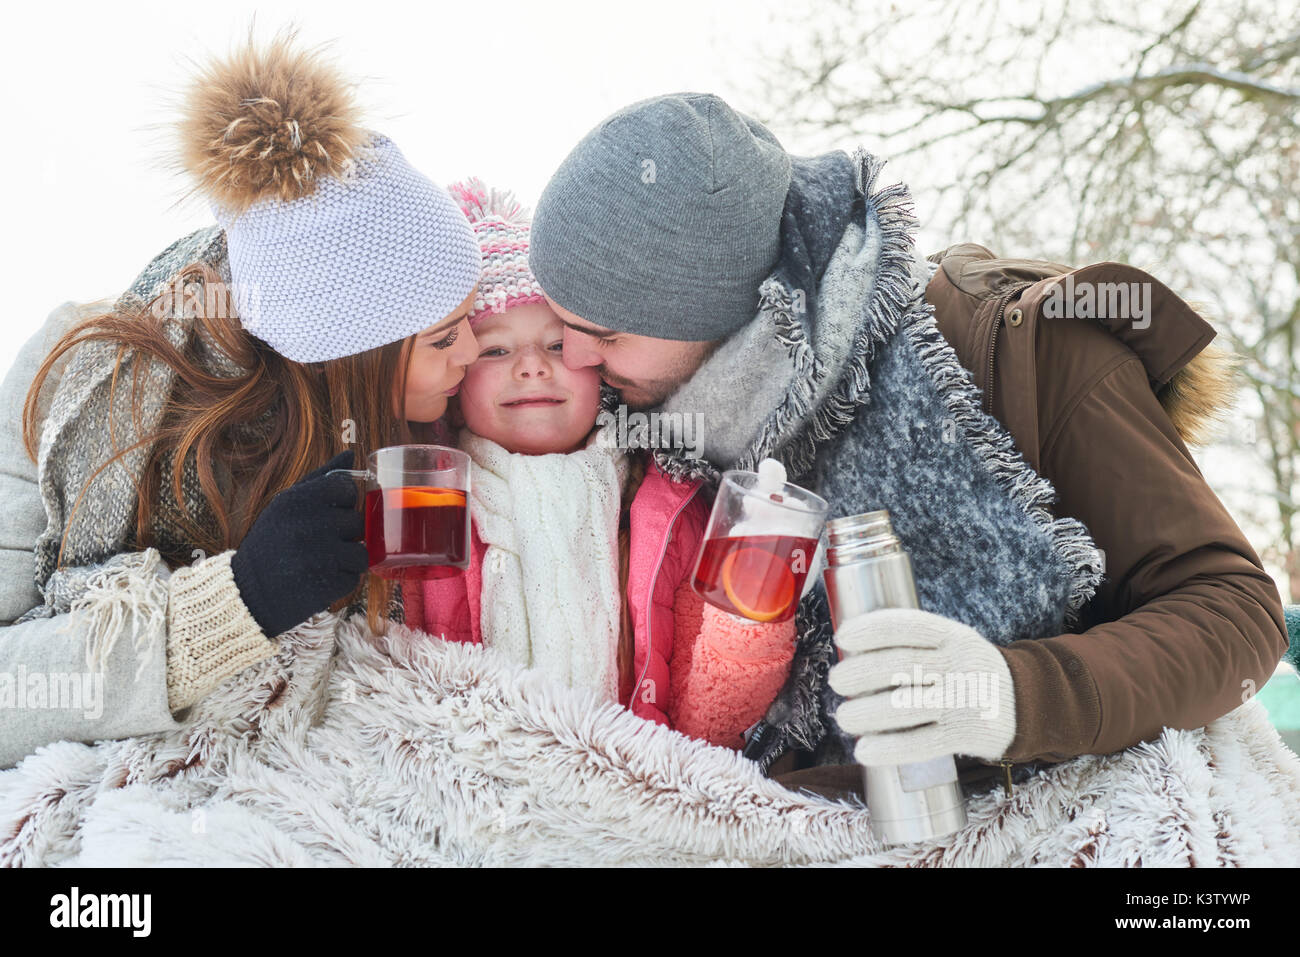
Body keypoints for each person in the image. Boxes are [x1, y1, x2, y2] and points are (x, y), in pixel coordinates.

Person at [526, 92, 1290, 794]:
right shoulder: (654, 430)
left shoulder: (1016, 351)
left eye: (603, 333)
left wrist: (1011, 693)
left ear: (715, 308)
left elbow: (1236, 611)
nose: (575, 359)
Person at [0, 34, 482, 769]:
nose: (476, 355)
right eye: (445, 338)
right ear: (345, 352)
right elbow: (10, 691)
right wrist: (239, 600)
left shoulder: (440, 419)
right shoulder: (80, 376)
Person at [405, 178, 797, 749]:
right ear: (457, 372)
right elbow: (385, 662)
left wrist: (753, 610)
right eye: (495, 349)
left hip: (633, 804)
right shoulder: (421, 499)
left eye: (559, 345)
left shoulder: (665, 505)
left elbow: (711, 718)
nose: (533, 366)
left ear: (597, 363)